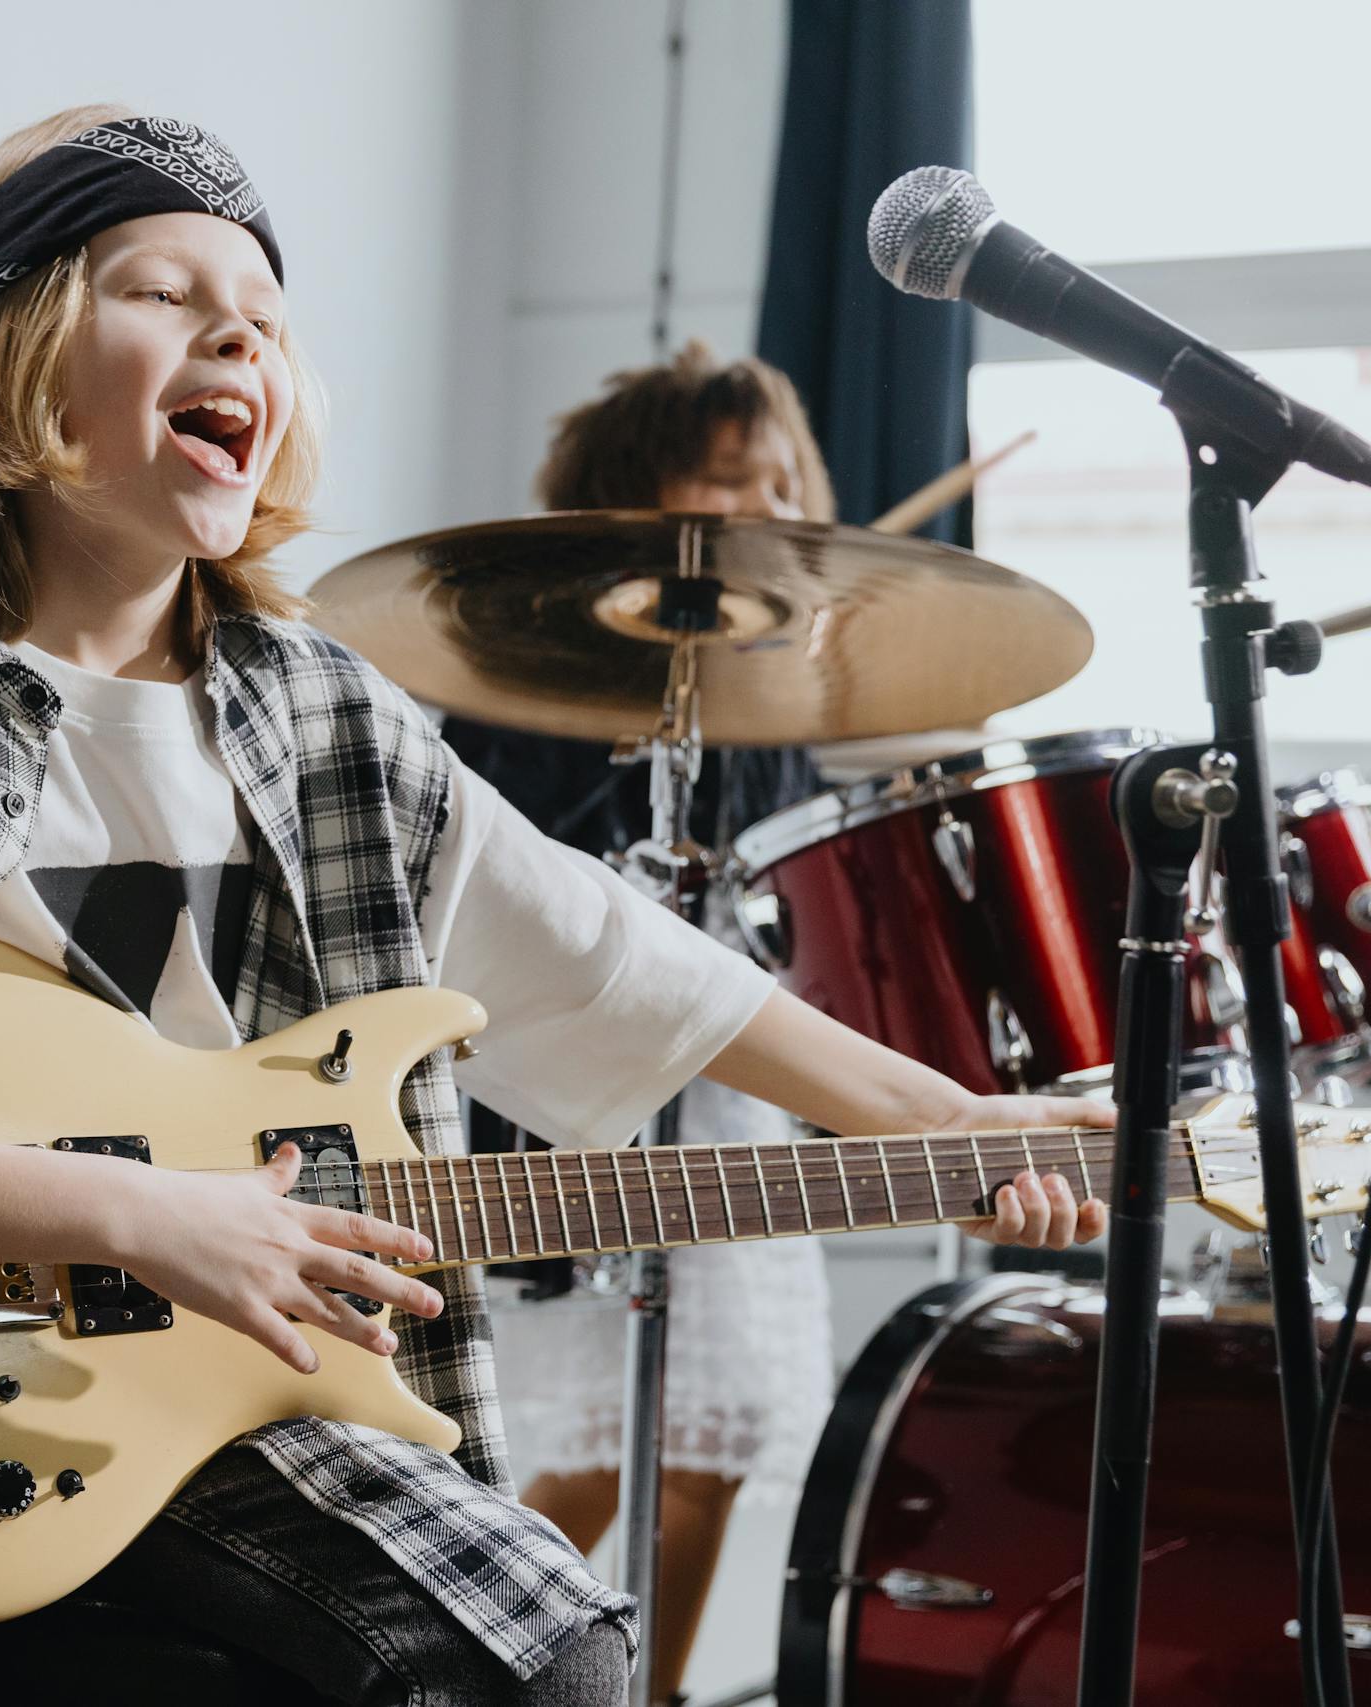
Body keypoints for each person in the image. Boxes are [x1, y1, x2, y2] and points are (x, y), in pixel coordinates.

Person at [0, 105, 1107, 1707]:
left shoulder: (321, 715)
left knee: (557, 1663)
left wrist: (956, 1124)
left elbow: (614, 958)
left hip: (259, 1404)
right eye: (162, 291)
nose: (238, 330)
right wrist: (146, 1218)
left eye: (265, 313)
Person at [444, 345, 843, 1702]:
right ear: (630, 495)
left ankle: (633, 1692)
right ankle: (476, 1669)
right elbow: (505, 891)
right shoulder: (540, 675)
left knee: (708, 1438)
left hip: (731, 1089)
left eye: (782, 479)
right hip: (594, 1081)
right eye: (729, 476)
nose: (768, 503)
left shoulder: (769, 687)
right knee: (611, 1444)